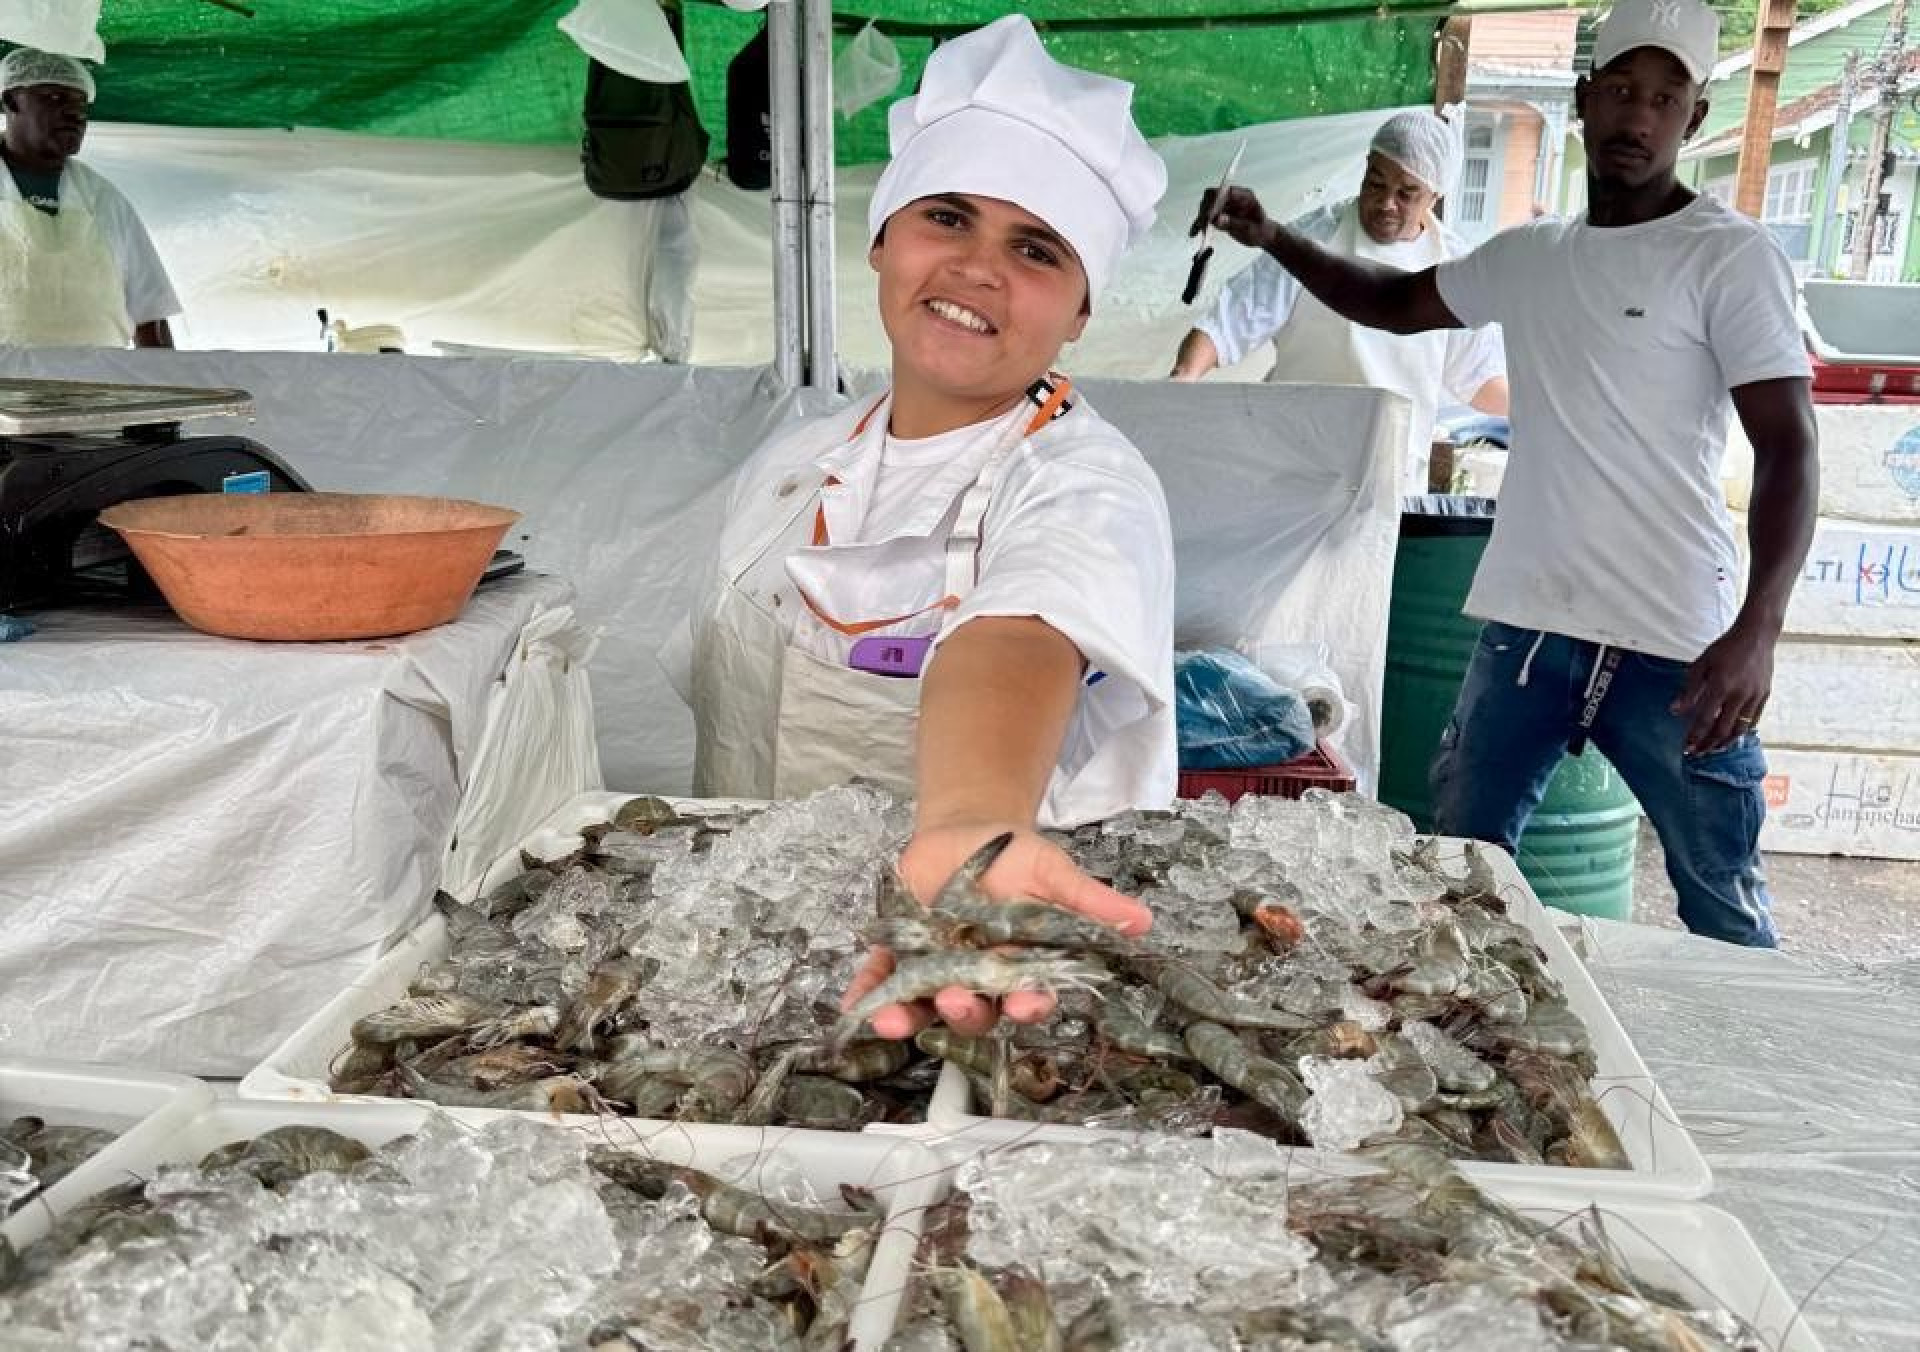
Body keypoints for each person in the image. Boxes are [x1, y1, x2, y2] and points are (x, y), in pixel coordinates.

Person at [1194, 0, 1817, 947]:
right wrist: (1275, 236)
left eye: (1664, 98)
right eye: (1621, 90)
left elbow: (1790, 447)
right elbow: (1392, 299)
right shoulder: (1534, 255)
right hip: (1528, 631)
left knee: (1720, 897)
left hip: (1677, 641)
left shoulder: (1730, 258)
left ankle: (1741, 1051)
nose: (1638, 116)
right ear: (1585, 99)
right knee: (1462, 877)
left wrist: (1759, 630)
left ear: (1693, 117)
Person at [667, 15, 1171, 1033]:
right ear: (882, 238)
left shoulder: (1086, 483)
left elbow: (1018, 636)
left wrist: (972, 827)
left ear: (1080, 312)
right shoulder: (789, 467)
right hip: (750, 966)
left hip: (976, 963)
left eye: (1036, 249)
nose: (979, 268)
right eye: (948, 216)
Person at [1170, 110, 1509, 493]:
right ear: (1365, 167)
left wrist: (1546, 404)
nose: (1386, 203)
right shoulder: (1311, 241)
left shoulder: (1452, 268)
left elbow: (1479, 378)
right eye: (1376, 183)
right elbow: (1228, 322)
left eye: (1406, 193)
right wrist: (1184, 378)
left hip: (1387, 478)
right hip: (1293, 463)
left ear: (1436, 195)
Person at [0, 48, 180, 348]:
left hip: (97, 377)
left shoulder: (103, 199)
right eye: (55, 98)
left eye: (82, 104)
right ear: (10, 101)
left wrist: (167, 375)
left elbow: (150, 313)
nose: (75, 114)